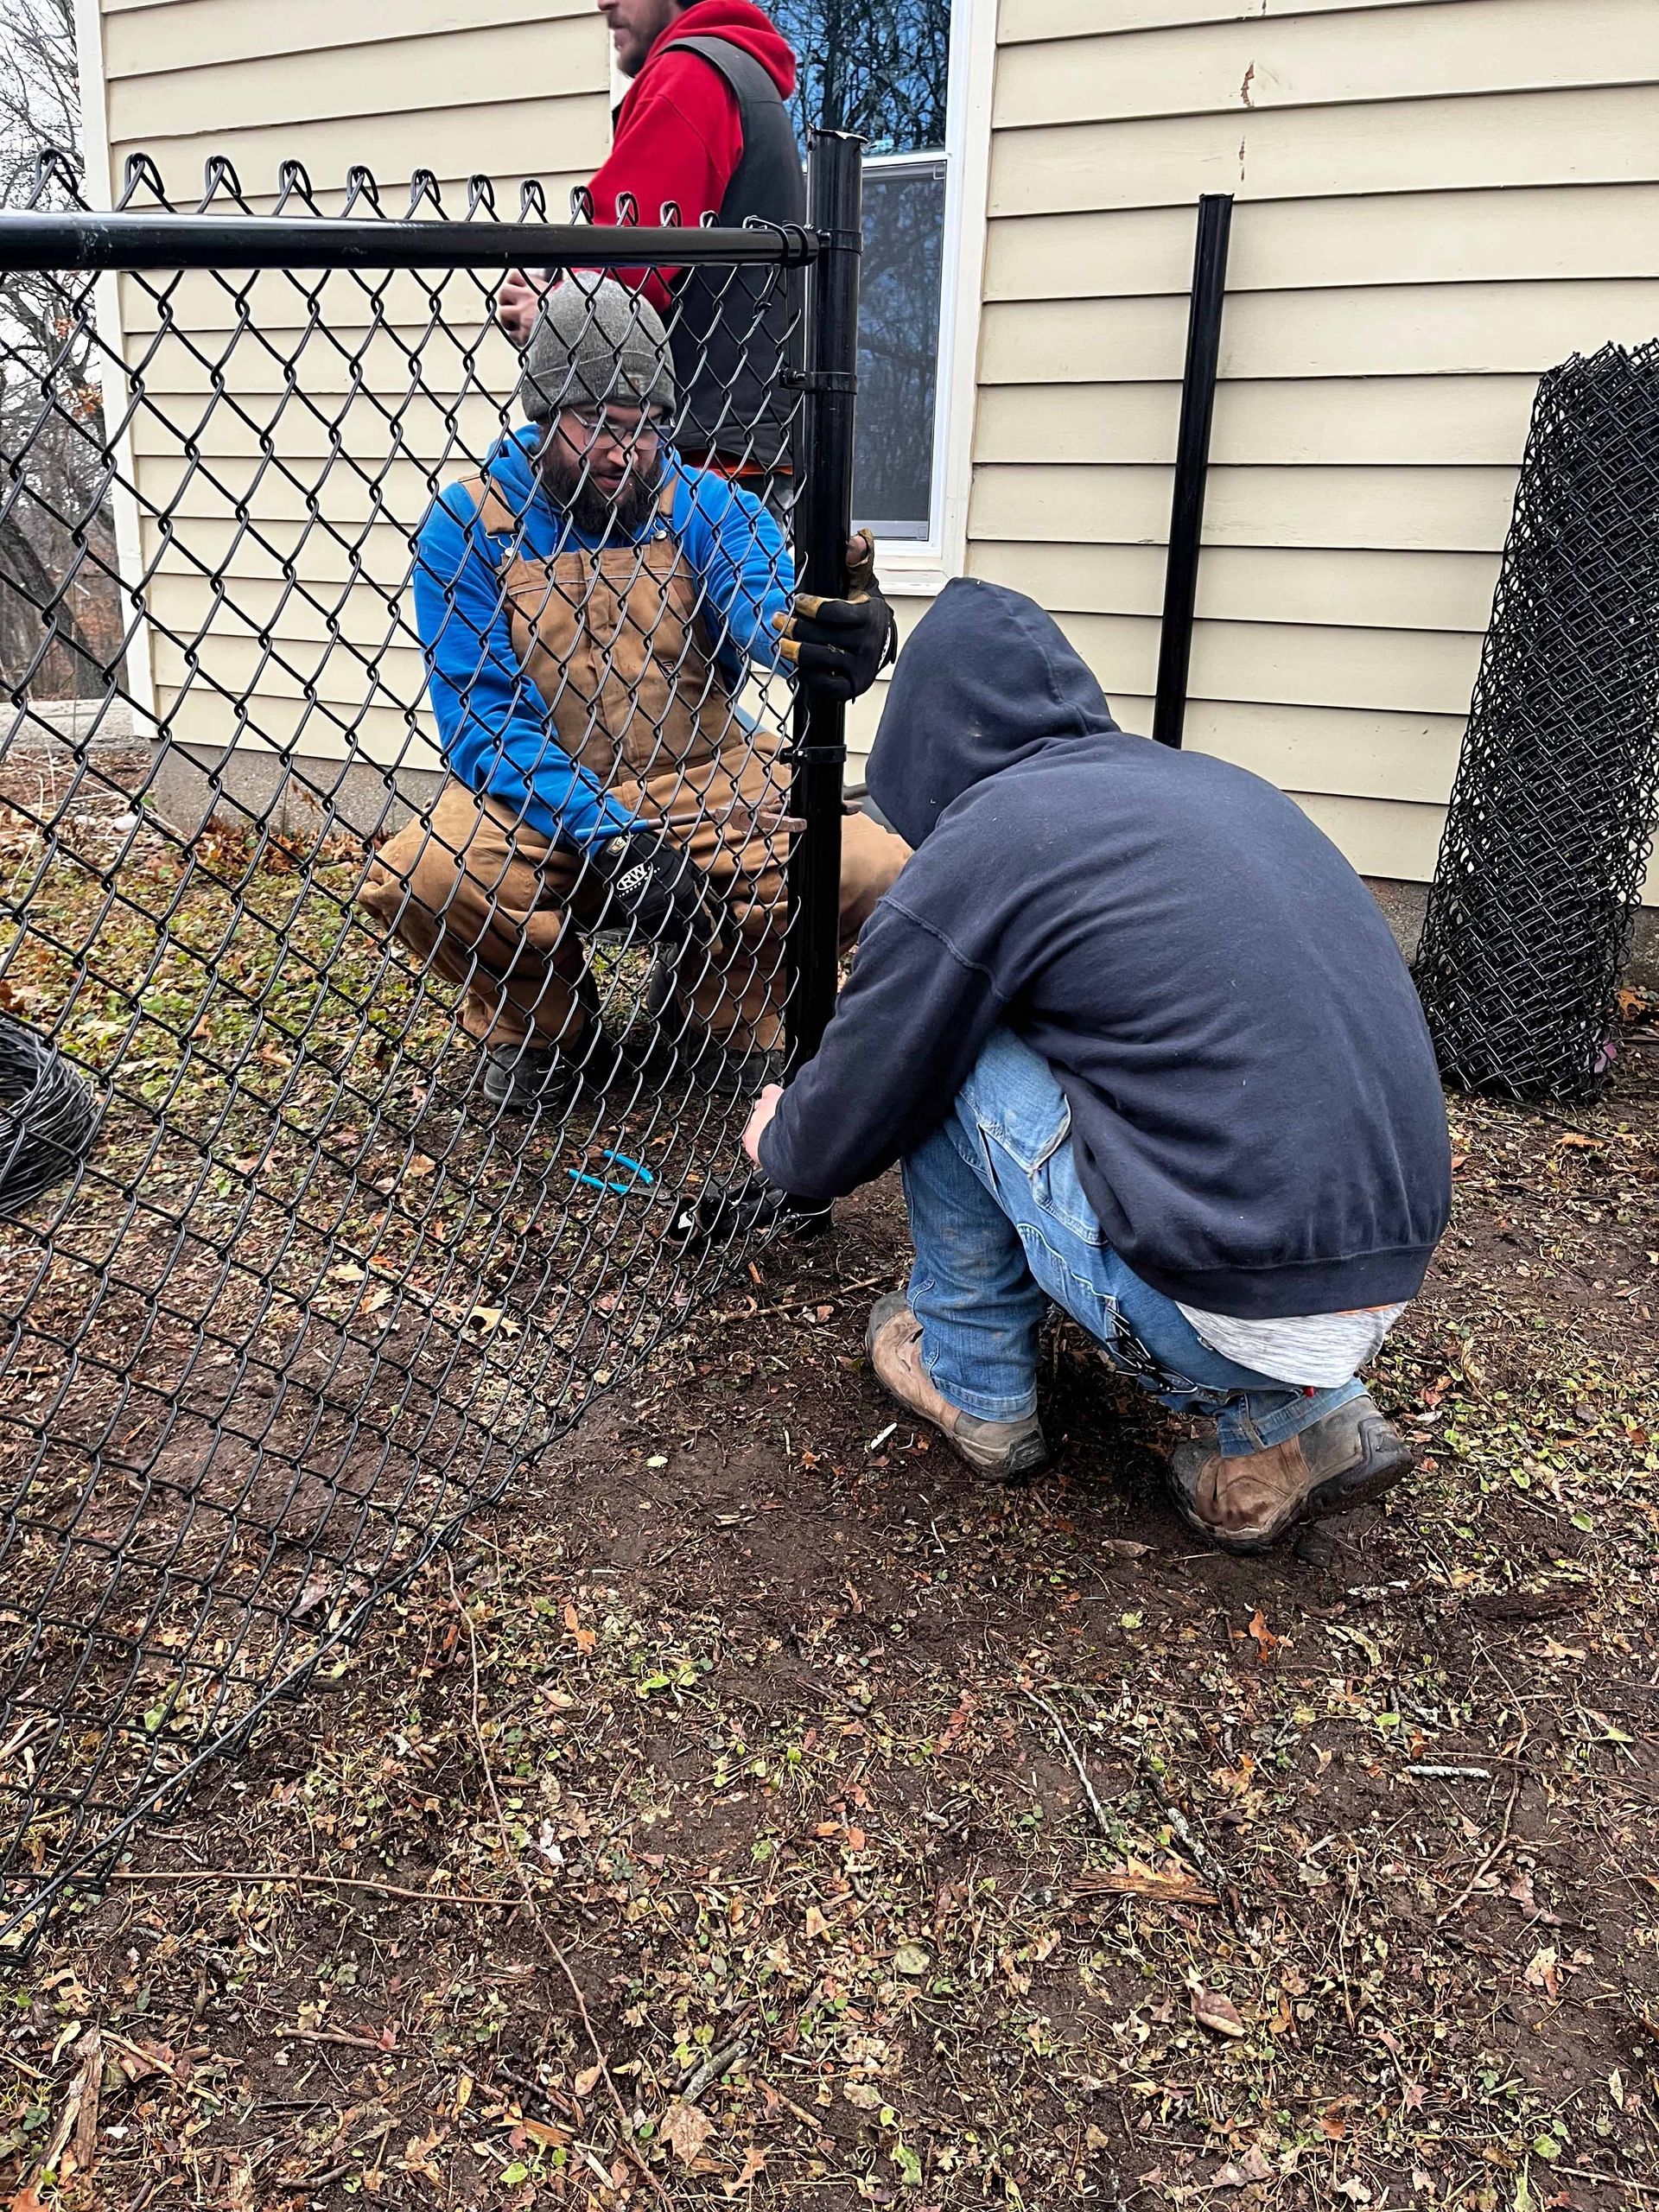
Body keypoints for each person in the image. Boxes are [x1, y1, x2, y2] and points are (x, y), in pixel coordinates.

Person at [741, 581, 1453, 1555]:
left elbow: (857, 1099)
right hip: (1381, 1269)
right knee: (1090, 1034)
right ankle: (1300, 1421)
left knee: (955, 1041)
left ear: (928, 745)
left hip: (1217, 1301)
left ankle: (971, 1376)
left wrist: (780, 1135)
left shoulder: (992, 840)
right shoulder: (1205, 786)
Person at [361, 276, 902, 1113]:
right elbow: (480, 717)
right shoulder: (466, 524)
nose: (628, 452)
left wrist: (823, 629)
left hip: (708, 768)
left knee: (870, 866)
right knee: (423, 873)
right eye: (601, 427)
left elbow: (761, 605)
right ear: (544, 417)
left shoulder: (709, 503)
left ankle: (720, 1007)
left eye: (649, 426)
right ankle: (545, 1030)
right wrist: (609, 832)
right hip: (540, 789)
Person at [499, 0, 804, 500]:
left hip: (690, 461)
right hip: (737, 444)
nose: (604, 2)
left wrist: (551, 309)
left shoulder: (692, 76)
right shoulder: (743, 76)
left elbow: (623, 270)